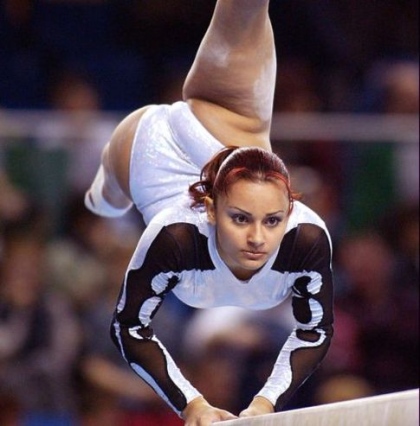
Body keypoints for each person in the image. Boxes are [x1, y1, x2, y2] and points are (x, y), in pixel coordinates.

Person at [84, 1, 334, 424]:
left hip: (182, 148)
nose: (257, 238)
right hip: (181, 139)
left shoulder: (305, 237)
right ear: (212, 211)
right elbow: (129, 326)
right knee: (102, 201)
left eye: (273, 221)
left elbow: (316, 331)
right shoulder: (177, 236)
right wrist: (192, 404)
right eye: (241, 219)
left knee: (104, 201)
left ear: (289, 211)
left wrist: (264, 402)